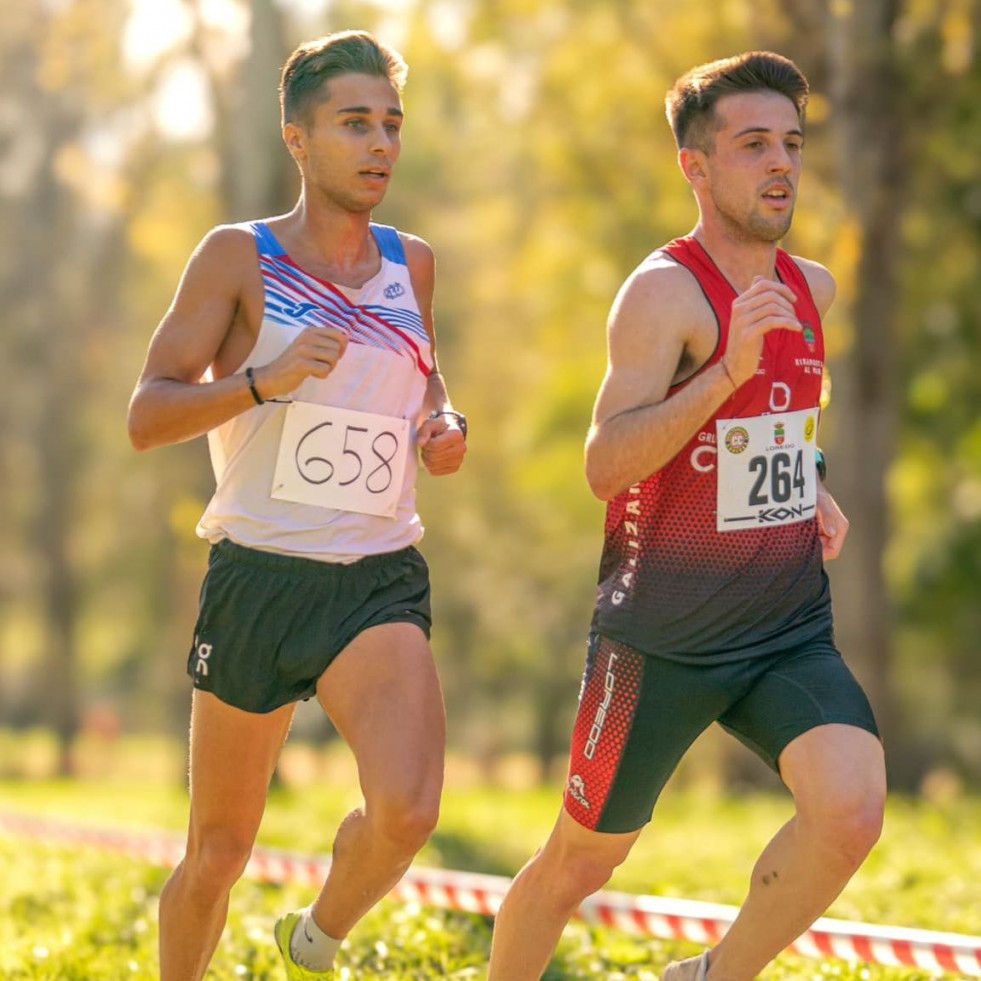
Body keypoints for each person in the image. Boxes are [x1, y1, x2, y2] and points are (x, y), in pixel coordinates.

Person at [487, 51, 885, 981]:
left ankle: (710, 977)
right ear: (694, 167)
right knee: (577, 864)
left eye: (790, 143)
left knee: (851, 809)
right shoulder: (662, 294)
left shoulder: (812, 290)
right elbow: (604, 463)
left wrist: (810, 482)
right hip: (658, 639)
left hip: (785, 626)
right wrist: (721, 375)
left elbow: (775, 430)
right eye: (752, 145)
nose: (780, 163)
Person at [127, 30, 466, 981]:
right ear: (298, 138)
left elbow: (426, 380)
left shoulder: (413, 262)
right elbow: (147, 414)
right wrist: (263, 383)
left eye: (391, 124)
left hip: (375, 577)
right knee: (220, 852)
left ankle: (315, 937)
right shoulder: (240, 257)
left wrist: (445, 423)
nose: (379, 144)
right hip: (259, 576)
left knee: (407, 809)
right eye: (354, 122)